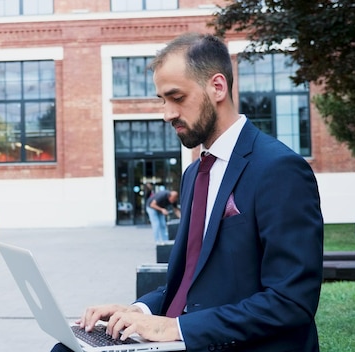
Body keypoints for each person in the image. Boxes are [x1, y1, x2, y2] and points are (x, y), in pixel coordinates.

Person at [51, 32, 323, 352]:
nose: (167, 114)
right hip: (185, 339)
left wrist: (177, 328)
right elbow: (186, 282)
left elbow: (291, 301)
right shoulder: (194, 173)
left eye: (176, 98)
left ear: (217, 87)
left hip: (232, 343)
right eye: (162, 100)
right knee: (68, 347)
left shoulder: (278, 169)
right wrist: (137, 311)